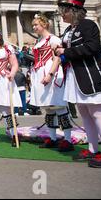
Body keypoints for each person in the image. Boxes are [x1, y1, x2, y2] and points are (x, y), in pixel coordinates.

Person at [54, 0, 101, 168]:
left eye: (63, 11)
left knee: (98, 114)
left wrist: (66, 52)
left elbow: (92, 47)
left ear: (73, 11)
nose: (61, 15)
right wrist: (60, 52)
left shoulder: (89, 25)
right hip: (76, 77)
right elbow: (66, 51)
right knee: (85, 114)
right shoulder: (68, 31)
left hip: (92, 76)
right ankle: (93, 149)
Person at [30, 15, 74, 152]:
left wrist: (50, 74)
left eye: (36, 24)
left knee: (59, 106)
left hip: (51, 73)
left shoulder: (53, 39)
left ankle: (67, 140)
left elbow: (58, 58)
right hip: (39, 73)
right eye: (33, 25)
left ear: (44, 25)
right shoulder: (39, 40)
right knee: (48, 108)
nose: (34, 27)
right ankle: (53, 138)